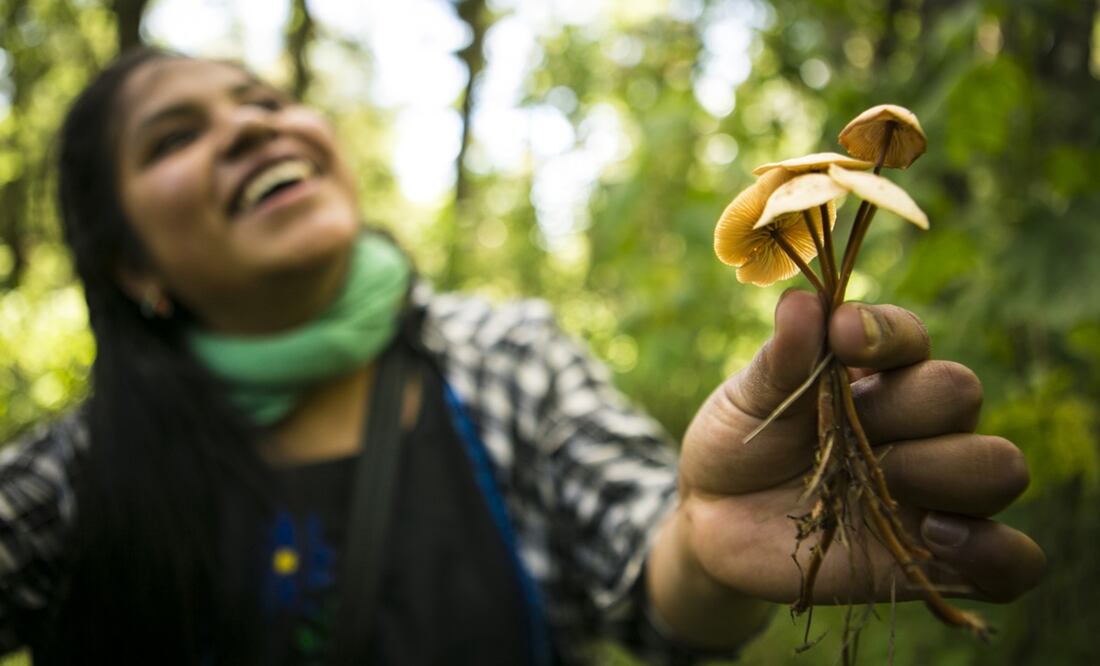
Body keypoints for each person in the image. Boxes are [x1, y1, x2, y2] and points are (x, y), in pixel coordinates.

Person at [0, 47, 1044, 664]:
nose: (247, 128)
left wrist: (703, 541)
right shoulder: (66, 478)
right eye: (174, 136)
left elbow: (654, 552)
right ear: (131, 264)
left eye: (264, 101)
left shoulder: (503, 361)